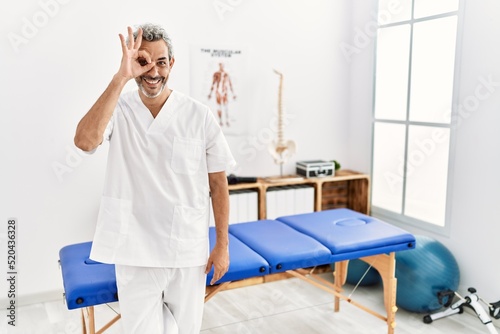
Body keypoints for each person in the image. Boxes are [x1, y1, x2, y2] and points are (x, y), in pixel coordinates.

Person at [74, 23, 235, 334]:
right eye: (144, 62)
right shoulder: (118, 109)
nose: (153, 72)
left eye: (161, 62)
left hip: (186, 248)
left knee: (186, 330)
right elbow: (84, 141)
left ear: (171, 64)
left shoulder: (198, 115)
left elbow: (218, 185)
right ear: (134, 64)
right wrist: (121, 78)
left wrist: (222, 246)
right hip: (134, 248)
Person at [208, 62, 236, 127]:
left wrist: (233, 94)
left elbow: (230, 84)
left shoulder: (226, 74)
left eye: (222, 66)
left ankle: (227, 120)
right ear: (219, 66)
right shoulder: (216, 74)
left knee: (226, 107)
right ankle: (220, 121)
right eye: (220, 66)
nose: (221, 67)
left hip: (224, 92)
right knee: (219, 106)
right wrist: (210, 93)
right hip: (218, 92)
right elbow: (213, 83)